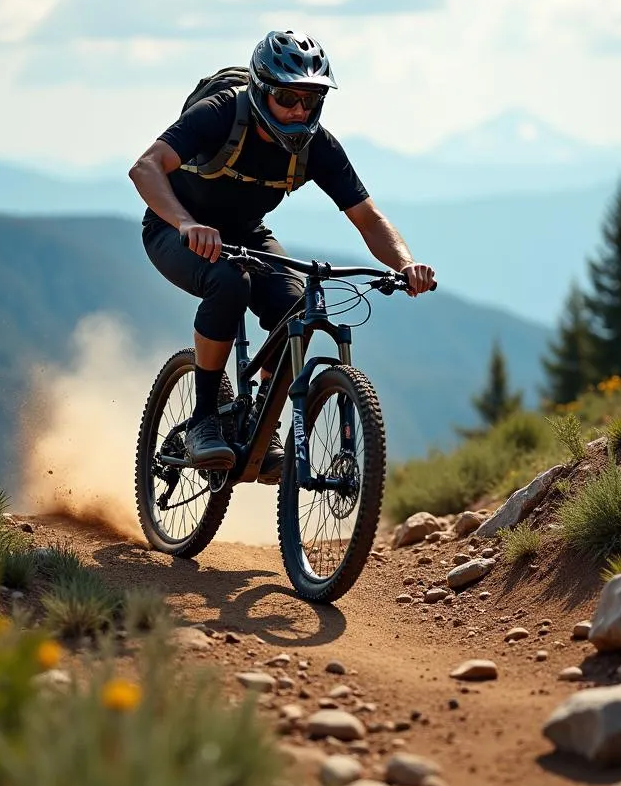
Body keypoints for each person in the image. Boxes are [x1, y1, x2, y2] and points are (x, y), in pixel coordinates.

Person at [128, 29, 436, 483]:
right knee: (229, 283)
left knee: (298, 306)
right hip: (174, 229)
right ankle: (204, 419)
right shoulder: (218, 114)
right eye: (288, 97)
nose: (299, 110)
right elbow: (146, 167)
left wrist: (405, 263)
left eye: (310, 101)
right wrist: (186, 223)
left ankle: (261, 425)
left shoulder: (318, 147)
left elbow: (368, 218)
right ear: (260, 89)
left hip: (248, 235)